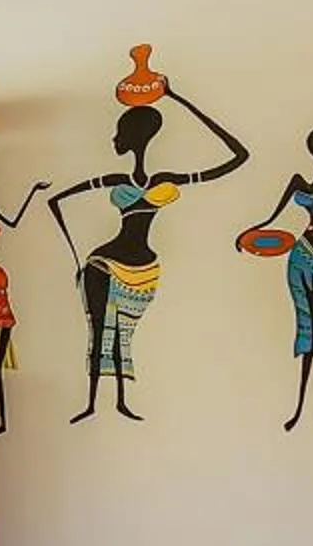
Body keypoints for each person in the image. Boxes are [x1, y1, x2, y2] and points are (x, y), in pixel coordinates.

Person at [48, 92, 249, 423]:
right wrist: (76, 259)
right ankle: (92, 404)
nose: (114, 139)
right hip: (103, 262)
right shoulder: (116, 180)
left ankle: (120, 402)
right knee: (99, 332)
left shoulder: (163, 180)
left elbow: (238, 156)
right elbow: (55, 201)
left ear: (134, 136)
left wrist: (177, 98)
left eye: (118, 132)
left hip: (143, 266)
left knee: (123, 333)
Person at [240, 126, 313, 437]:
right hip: (301, 254)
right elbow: (273, 217)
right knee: (307, 325)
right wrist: (250, 233)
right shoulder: (297, 182)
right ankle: (299, 408)